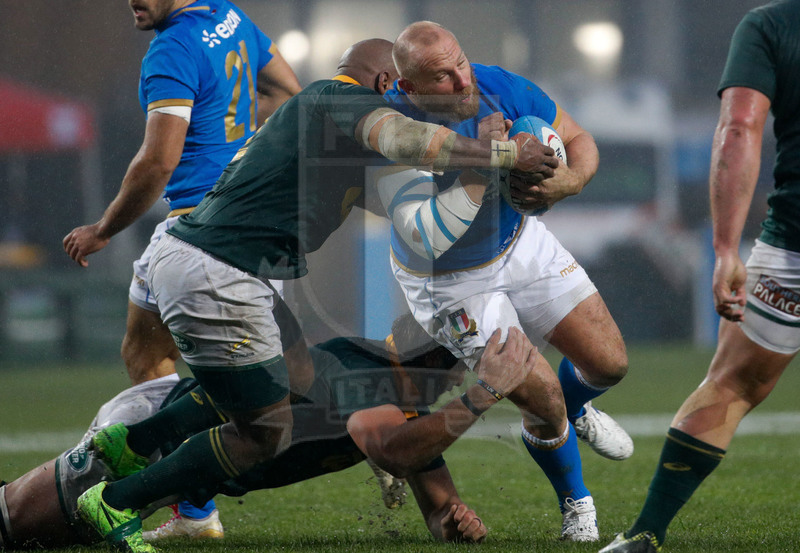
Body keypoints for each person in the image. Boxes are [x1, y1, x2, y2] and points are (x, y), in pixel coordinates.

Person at [73, 38, 557, 553]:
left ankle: (129, 444)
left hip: (214, 261)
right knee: (265, 432)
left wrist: (481, 171)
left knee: (298, 375)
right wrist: (504, 152)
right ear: (385, 84)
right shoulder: (339, 98)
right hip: (218, 271)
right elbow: (406, 139)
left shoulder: (332, 139)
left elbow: (426, 232)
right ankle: (117, 502)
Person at [377, 21, 635, 541]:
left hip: (518, 241)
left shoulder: (501, 86)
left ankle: (577, 408)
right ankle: (577, 507)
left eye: (461, 63)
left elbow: (580, 139)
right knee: (540, 398)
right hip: (450, 280)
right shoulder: (392, 130)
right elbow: (429, 238)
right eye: (442, 76)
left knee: (610, 364)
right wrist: (490, 160)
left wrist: (569, 181)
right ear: (409, 87)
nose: (460, 80)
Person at [62, 0, 303, 535]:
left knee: (227, 395)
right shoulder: (230, 17)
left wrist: (102, 230)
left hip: (201, 233)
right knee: (145, 353)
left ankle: (177, 495)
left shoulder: (172, 48)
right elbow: (287, 91)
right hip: (243, 224)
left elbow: (158, 160)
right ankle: (194, 511)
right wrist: (241, 152)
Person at [0, 313, 536, 549]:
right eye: (459, 367)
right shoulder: (368, 383)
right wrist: (484, 395)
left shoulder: (400, 405)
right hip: (151, 433)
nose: (460, 379)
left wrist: (454, 521)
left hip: (178, 459)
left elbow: (436, 500)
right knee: (13, 523)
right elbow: (397, 451)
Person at [600, 2, 800, 551]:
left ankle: (645, 535)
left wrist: (724, 247)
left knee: (733, 386)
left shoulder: (772, 26)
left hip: (793, 249)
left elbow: (740, 128)